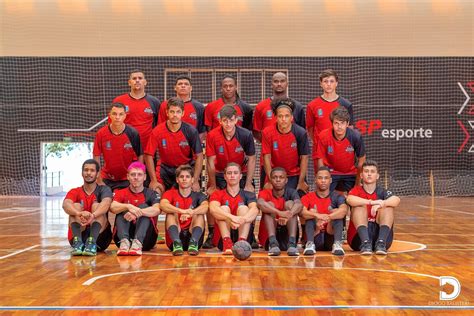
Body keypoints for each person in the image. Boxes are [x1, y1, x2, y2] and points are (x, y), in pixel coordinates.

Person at [204, 105, 256, 248]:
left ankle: (249, 235)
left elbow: (252, 158)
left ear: (236, 120)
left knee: (249, 199)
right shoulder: (213, 135)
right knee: (213, 199)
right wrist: (213, 185)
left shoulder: (245, 135)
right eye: (225, 120)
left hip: (240, 173)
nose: (228, 124)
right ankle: (212, 233)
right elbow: (210, 161)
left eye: (231, 120)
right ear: (220, 121)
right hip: (220, 172)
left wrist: (248, 183)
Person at [144, 97, 203, 194]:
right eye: (172, 112)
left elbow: (199, 156)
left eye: (178, 112)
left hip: (185, 168)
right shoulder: (157, 131)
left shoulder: (191, 131)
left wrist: (195, 180)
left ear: (183, 113)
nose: (175, 115)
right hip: (165, 168)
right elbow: (148, 155)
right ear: (167, 112)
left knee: (188, 193)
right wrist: (153, 180)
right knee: (155, 192)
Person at [346, 160, 400, 255]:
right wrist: (371, 202)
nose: (369, 174)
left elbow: (396, 200)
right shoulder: (355, 191)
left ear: (377, 176)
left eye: (372, 171)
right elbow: (349, 199)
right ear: (361, 175)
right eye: (366, 171)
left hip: (379, 235)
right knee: (359, 207)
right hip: (357, 239)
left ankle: (381, 242)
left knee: (387, 207)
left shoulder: (383, 192)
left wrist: (381, 204)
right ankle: (365, 243)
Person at [63, 159, 113, 256]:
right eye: (86, 170)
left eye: (92, 170)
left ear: (98, 174)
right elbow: (66, 204)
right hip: (80, 233)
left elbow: (106, 203)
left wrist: (93, 216)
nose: (88, 173)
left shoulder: (104, 189)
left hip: (100, 238)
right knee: (75, 206)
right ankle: (77, 242)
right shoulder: (75, 191)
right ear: (82, 173)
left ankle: (92, 243)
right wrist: (78, 213)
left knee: (97, 206)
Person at [110, 162, 161, 256]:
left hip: (146, 240)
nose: (136, 177)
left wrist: (137, 212)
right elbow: (112, 207)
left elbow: (157, 209)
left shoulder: (151, 193)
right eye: (133, 174)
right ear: (128, 176)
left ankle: (137, 243)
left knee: (144, 207)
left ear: (145, 177)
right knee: (122, 208)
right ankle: (124, 242)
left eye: (139, 174)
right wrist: (128, 206)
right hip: (121, 239)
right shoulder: (120, 192)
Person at [209, 163, 259, 255]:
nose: (232, 175)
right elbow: (213, 209)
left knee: (244, 209)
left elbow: (255, 210)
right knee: (223, 208)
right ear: (225, 176)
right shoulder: (217, 194)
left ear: (240, 176)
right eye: (229, 173)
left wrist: (242, 219)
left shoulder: (249, 194)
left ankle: (241, 243)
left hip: (244, 234)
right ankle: (227, 243)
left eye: (235, 173)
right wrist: (231, 218)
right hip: (222, 238)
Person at [261, 98, 309, 193]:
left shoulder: (300, 132)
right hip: (275, 175)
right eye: (280, 116)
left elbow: (304, 158)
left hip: (294, 175)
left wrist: (301, 181)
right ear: (276, 117)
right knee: (265, 200)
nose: (283, 119)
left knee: (298, 202)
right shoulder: (267, 132)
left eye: (286, 116)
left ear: (291, 118)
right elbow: (266, 157)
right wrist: (271, 181)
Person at [160, 165, 209, 256]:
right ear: (177, 180)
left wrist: (192, 212)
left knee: (199, 214)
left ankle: (193, 242)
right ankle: (177, 242)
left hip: (192, 235)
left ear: (192, 180)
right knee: (171, 213)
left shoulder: (199, 195)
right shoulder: (170, 193)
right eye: (181, 177)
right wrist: (182, 211)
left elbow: (205, 207)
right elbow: (163, 205)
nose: (184, 179)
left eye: (187, 177)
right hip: (175, 237)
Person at [315, 106, 366, 192]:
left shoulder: (356, 136)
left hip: (350, 173)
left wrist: (358, 182)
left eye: (342, 123)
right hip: (331, 173)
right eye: (336, 123)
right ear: (332, 123)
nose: (339, 126)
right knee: (324, 198)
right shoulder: (323, 136)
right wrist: (323, 178)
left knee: (354, 199)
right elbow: (320, 159)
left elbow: (362, 160)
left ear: (347, 123)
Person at [93, 103, 142, 191]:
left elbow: (140, 156)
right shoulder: (101, 133)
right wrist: (99, 179)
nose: (117, 117)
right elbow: (96, 156)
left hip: (128, 179)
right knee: (104, 202)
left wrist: (137, 177)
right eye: (114, 114)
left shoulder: (133, 133)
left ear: (125, 116)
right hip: (107, 179)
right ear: (110, 115)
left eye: (121, 114)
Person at [301, 166, 348, 256]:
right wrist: (316, 216)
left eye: (326, 178)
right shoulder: (308, 197)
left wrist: (328, 217)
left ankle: (337, 244)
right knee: (310, 212)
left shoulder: (337, 196)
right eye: (320, 178)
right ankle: (310, 244)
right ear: (315, 180)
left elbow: (343, 211)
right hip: (315, 234)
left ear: (330, 180)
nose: (323, 181)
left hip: (330, 235)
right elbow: (302, 212)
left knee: (336, 212)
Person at [257, 168, 302, 256]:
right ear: (270, 180)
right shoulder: (265, 192)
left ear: (286, 180)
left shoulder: (292, 192)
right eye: (275, 177)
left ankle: (292, 242)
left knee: (290, 204)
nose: (278, 180)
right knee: (269, 205)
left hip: (287, 232)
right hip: (268, 235)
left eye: (281, 177)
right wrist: (279, 213)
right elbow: (260, 203)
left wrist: (288, 215)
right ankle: (273, 242)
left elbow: (299, 205)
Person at [112, 69, 161, 149]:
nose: (137, 80)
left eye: (140, 78)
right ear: (129, 82)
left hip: (148, 148)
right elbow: (112, 124)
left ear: (145, 82)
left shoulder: (154, 102)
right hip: (125, 146)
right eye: (134, 78)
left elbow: (159, 126)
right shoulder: (119, 101)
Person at [253, 72, 305, 143]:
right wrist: (268, 143)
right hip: (268, 152)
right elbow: (256, 131)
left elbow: (302, 132)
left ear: (287, 84)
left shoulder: (297, 106)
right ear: (271, 84)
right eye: (276, 81)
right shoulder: (261, 106)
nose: (279, 84)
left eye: (282, 81)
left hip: (291, 151)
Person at [306, 69, 354, 146]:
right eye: (325, 81)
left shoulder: (346, 104)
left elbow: (350, 128)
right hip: (320, 149)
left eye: (331, 81)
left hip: (340, 148)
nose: (328, 84)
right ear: (321, 84)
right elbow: (310, 128)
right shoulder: (312, 105)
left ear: (336, 83)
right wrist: (318, 142)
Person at [158, 75, 206, 140]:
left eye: (186, 84)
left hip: (190, 146)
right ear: (175, 88)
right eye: (180, 84)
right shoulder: (165, 105)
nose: (183, 86)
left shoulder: (199, 107)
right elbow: (160, 128)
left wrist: (195, 145)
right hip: (170, 144)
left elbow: (202, 131)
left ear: (191, 88)